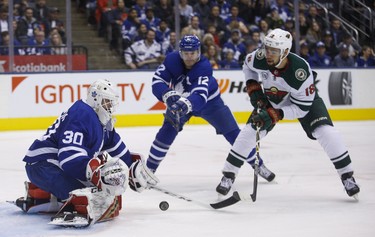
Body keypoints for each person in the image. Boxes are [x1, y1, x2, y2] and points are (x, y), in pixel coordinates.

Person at [216, 28, 360, 198]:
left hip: (303, 102)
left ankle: (347, 176)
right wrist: (253, 86)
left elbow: (301, 108)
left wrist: (276, 114)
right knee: (250, 131)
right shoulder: (260, 57)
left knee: (326, 132)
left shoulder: (300, 71)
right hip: (273, 97)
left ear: (285, 52)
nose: (268, 53)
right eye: (266, 48)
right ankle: (228, 175)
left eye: (274, 51)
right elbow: (248, 66)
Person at [15, 79, 158, 226]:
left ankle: (41, 195)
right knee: (92, 196)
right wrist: (96, 173)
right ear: (96, 99)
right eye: (107, 102)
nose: (110, 107)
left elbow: (113, 143)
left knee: (102, 191)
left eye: (111, 103)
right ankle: (49, 197)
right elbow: (69, 158)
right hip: (44, 166)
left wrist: (132, 167)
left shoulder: (99, 119)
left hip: (50, 165)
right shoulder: (82, 115)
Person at [146, 35, 275, 184]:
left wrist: (185, 104)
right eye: (186, 53)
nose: (189, 57)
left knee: (234, 134)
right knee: (167, 130)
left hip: (211, 103)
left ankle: (258, 164)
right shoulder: (171, 60)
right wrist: (167, 94)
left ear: (199, 52)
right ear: (180, 52)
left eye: (192, 53)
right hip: (180, 101)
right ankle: (149, 170)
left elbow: (200, 96)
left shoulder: (204, 68)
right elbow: (157, 81)